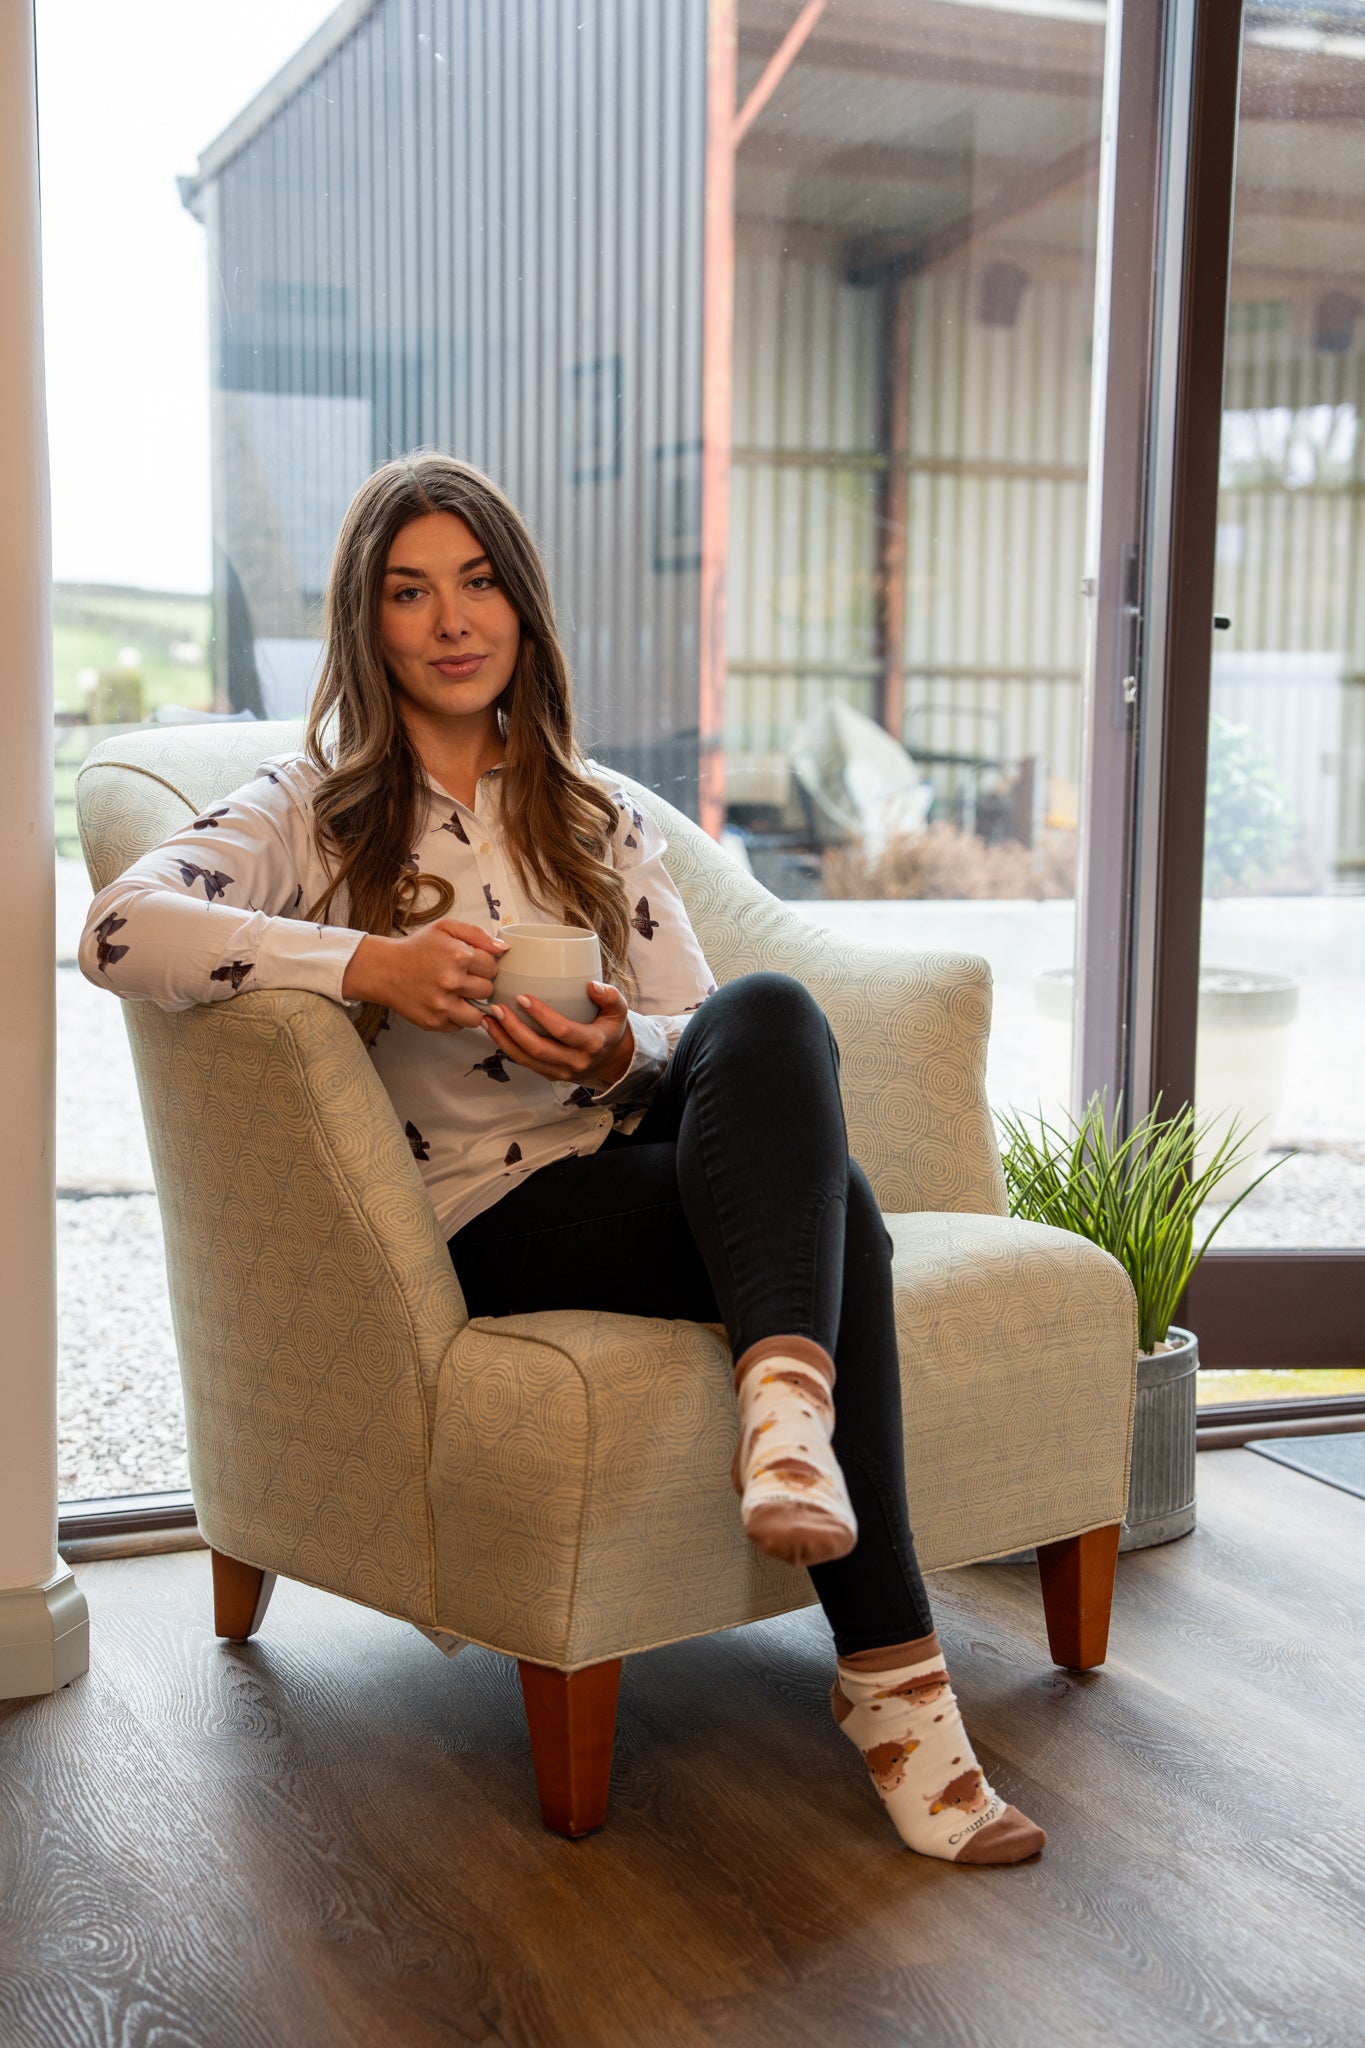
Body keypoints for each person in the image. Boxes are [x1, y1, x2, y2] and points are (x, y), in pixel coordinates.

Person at [80, 453, 1044, 1867]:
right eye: (409, 592)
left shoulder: (595, 812)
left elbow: (704, 1034)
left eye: (477, 584)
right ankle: (898, 1693)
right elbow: (118, 931)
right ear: (367, 622)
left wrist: (609, 1057)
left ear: (522, 609)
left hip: (619, 1166)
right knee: (837, 1212)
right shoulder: (307, 809)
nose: (450, 620)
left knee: (772, 1018)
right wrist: (372, 964)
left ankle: (789, 1420)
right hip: (482, 1217)